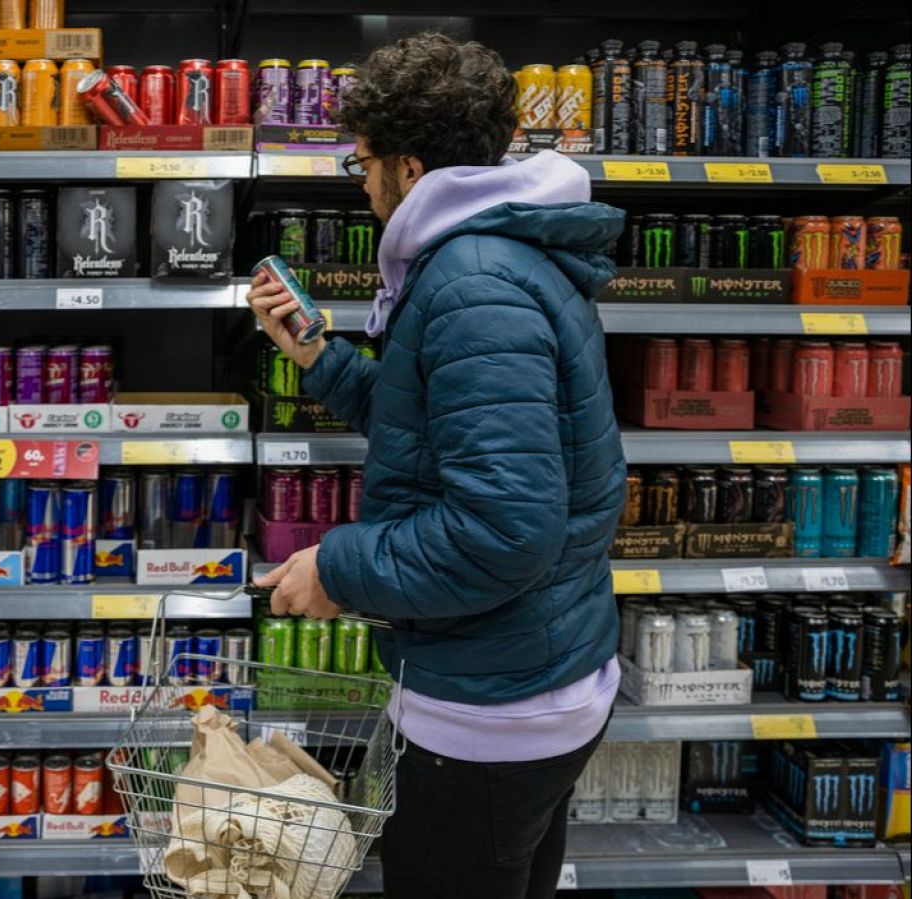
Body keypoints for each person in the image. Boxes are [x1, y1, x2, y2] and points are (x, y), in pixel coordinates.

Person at [248, 32, 627, 899]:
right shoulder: (491, 257)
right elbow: (444, 431)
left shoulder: (473, 283)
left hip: (494, 712)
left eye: (365, 162)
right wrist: (322, 360)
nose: (365, 181)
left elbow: (502, 530)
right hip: (526, 675)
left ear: (410, 167)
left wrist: (337, 568)